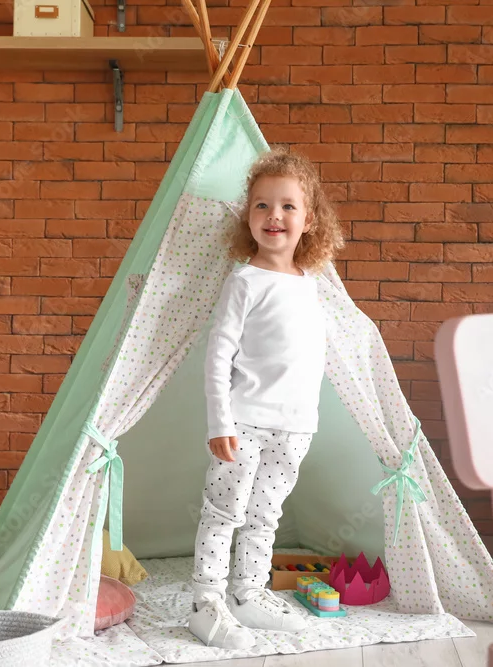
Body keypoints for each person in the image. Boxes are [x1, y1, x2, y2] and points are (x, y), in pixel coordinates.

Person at [188, 148, 345, 649]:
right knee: (224, 512)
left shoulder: (312, 283)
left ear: (309, 220)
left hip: (295, 427)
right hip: (245, 424)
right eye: (262, 205)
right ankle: (206, 604)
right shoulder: (244, 281)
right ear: (248, 217)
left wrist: (307, 420)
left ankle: (248, 594)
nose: (274, 215)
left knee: (265, 515)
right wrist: (220, 423)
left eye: (287, 206)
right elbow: (218, 357)